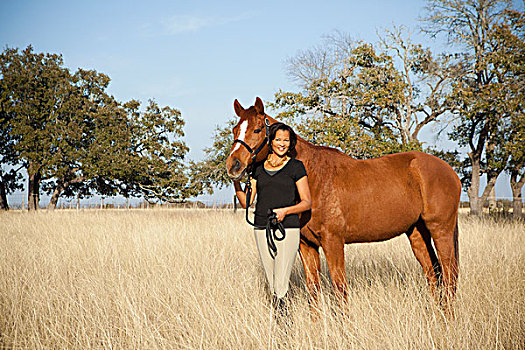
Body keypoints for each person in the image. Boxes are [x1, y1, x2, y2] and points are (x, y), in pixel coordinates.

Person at [233, 122, 311, 310]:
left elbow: (306, 202)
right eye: (278, 140)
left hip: (288, 228)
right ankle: (277, 324)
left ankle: (284, 328)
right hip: (261, 228)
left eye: (286, 140)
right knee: (271, 280)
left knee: (281, 282)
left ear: (291, 143)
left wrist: (285, 211)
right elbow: (247, 202)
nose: (282, 144)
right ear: (271, 141)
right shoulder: (257, 169)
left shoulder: (296, 167)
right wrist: (236, 183)